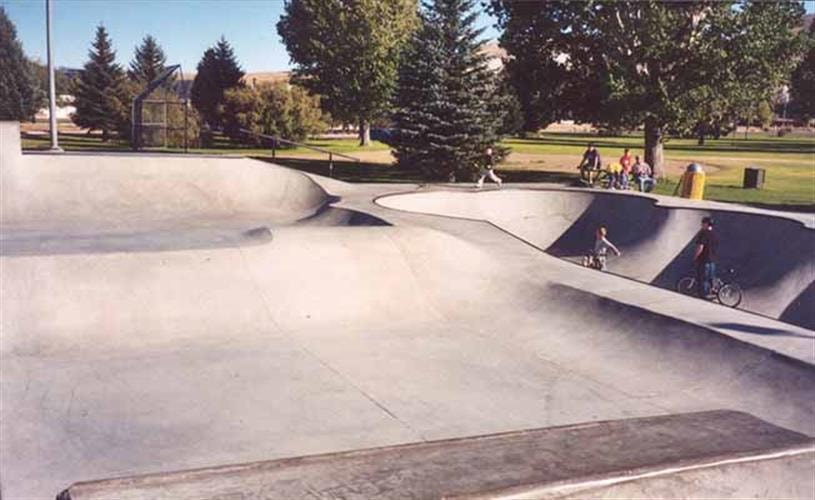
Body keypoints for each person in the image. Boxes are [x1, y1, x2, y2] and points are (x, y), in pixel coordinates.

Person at [693, 216, 719, 298]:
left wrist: (696, 256)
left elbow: (700, 246)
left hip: (704, 260)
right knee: (711, 278)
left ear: (706, 224)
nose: (701, 225)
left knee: (703, 278)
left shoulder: (703, 233)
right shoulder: (714, 234)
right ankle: (713, 291)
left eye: (702, 223)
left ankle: (703, 295)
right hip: (712, 260)